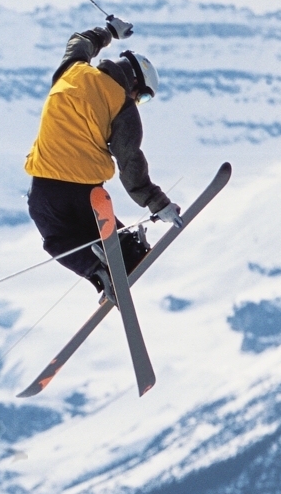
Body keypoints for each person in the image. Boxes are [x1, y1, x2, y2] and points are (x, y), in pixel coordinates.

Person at [24, 23, 180, 294]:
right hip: (82, 191)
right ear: (133, 81)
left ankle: (98, 275)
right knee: (114, 246)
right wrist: (158, 204)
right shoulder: (122, 104)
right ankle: (128, 255)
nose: (138, 101)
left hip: (42, 192)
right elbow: (130, 161)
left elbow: (80, 41)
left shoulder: (71, 71)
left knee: (58, 241)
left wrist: (109, 31)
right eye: (142, 95)